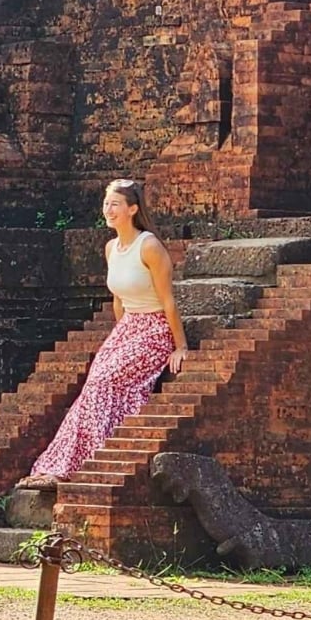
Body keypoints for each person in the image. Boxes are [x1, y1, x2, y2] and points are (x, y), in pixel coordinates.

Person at [15, 179, 188, 491]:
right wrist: (118, 339)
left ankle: (86, 462)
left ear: (133, 209)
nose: (109, 210)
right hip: (128, 328)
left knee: (105, 381)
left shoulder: (149, 246)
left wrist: (180, 346)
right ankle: (59, 465)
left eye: (115, 204)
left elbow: (168, 301)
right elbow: (119, 301)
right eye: (106, 204)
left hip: (155, 329)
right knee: (92, 383)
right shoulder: (111, 248)